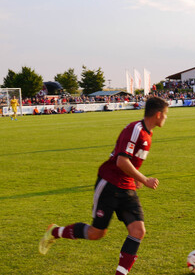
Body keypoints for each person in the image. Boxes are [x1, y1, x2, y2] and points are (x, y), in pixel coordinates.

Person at [39, 97, 169, 275]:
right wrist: (144, 179)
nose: (166, 118)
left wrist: (136, 178)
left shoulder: (148, 134)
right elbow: (121, 161)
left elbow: (131, 162)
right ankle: (55, 231)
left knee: (138, 231)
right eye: (166, 114)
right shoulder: (135, 130)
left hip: (127, 187)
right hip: (109, 184)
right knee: (96, 233)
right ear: (158, 114)